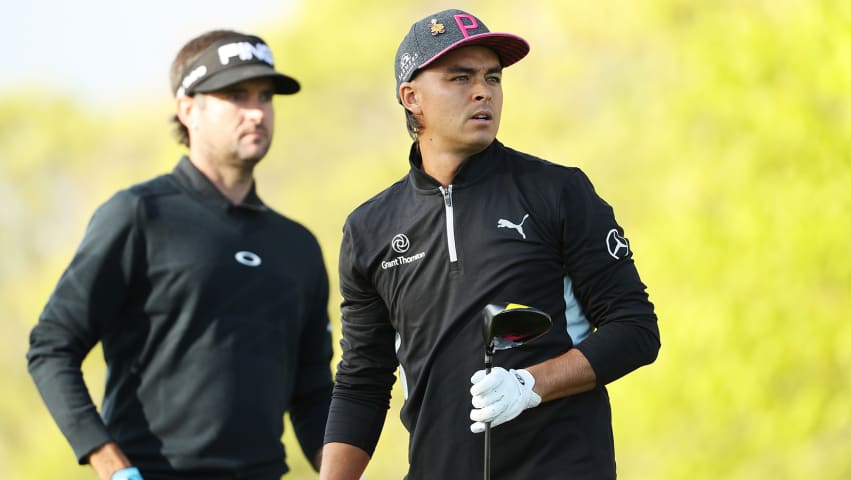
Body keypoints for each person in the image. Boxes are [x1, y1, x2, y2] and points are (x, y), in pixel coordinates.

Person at [320, 8, 660, 480]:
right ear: (411, 98)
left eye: (492, 78)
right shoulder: (369, 229)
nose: (483, 91)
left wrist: (529, 385)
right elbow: (362, 382)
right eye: (460, 77)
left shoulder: (558, 191)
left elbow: (635, 330)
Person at [27, 29, 333, 480]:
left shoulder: (297, 245)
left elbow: (313, 393)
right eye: (236, 95)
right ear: (188, 109)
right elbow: (51, 347)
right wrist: (111, 466)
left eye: (265, 97)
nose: (256, 112)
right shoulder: (139, 215)